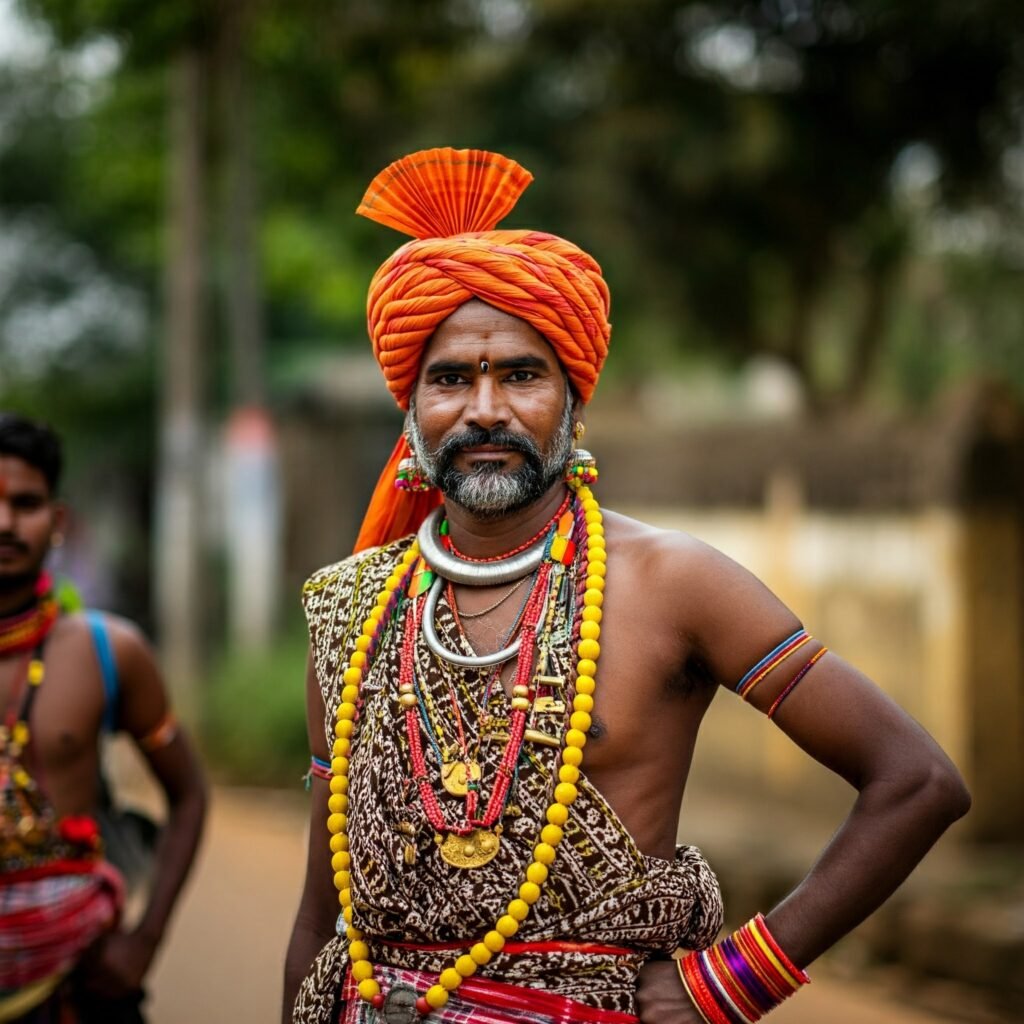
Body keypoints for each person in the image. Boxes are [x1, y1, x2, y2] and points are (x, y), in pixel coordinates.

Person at [283, 148, 970, 1024]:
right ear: (410, 414)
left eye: (522, 375)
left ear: (575, 401)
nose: (485, 408)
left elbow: (917, 782)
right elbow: (321, 913)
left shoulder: (674, 583)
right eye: (451, 379)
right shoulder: (350, 609)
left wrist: (730, 984)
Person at [0, 414, 207, 1023]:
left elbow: (189, 795)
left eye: (26, 503)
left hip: (76, 992)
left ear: (58, 521)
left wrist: (142, 943)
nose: (5, 524)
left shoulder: (107, 652)